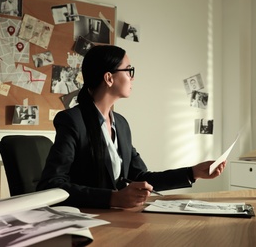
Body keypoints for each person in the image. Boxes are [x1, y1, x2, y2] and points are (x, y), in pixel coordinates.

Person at [36, 45, 226, 209]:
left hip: (118, 219)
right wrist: (113, 198)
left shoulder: (121, 124)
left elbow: (141, 177)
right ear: (109, 78)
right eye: (128, 70)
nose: (132, 77)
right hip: (88, 221)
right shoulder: (72, 121)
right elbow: (52, 184)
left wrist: (192, 173)